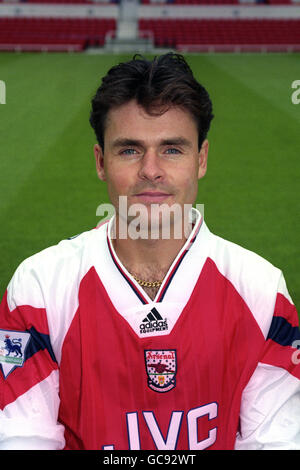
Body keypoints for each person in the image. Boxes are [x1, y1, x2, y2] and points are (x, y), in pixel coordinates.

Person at [0, 53, 299, 450]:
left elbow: (275, 443)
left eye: (172, 149)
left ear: (201, 159)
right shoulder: (39, 289)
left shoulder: (260, 290)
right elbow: (22, 441)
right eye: (130, 150)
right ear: (100, 161)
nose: (151, 170)